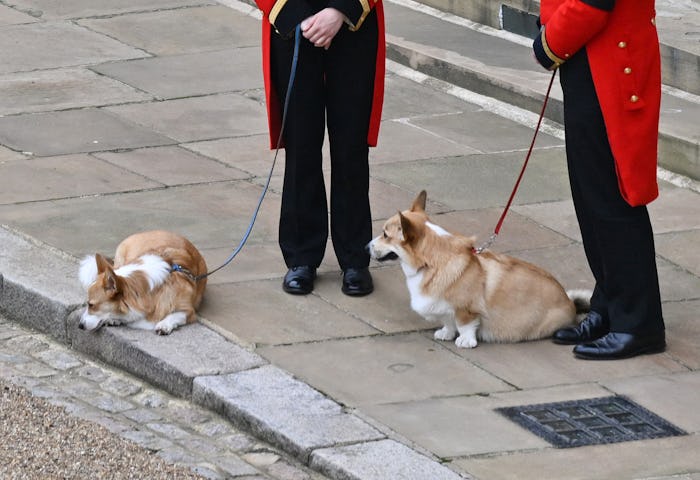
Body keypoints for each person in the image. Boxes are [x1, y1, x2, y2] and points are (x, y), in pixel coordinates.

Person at [532, 0, 666, 359]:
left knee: (613, 199)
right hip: (587, 58)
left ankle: (639, 324)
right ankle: (609, 305)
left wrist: (549, 43)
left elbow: (594, 4)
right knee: (590, 197)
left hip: (610, 62)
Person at [253, 0, 385, 297]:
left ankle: (354, 257)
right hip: (291, 23)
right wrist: (296, 15)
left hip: (355, 26)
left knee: (351, 147)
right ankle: (301, 256)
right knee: (301, 147)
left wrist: (340, 11)